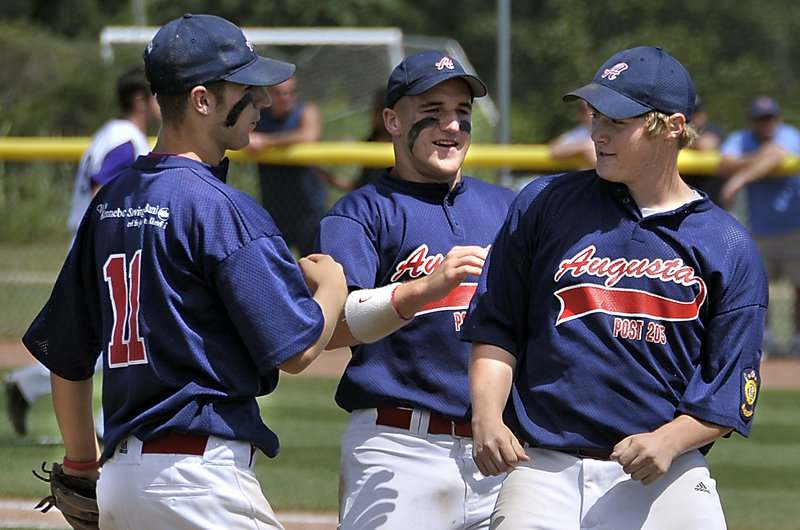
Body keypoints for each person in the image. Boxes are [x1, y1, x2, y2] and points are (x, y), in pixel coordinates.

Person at [21, 13, 347, 529]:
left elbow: (67, 354)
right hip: (200, 480)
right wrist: (333, 287)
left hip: (123, 484)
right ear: (201, 100)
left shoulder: (111, 203)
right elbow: (298, 349)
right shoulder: (221, 208)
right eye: (246, 88)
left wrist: (81, 462)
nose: (262, 100)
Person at [462, 46, 767, 529]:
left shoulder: (726, 243)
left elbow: (729, 387)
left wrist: (668, 441)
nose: (598, 133)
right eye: (596, 115)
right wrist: (486, 417)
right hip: (543, 463)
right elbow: (496, 324)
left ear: (672, 126)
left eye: (618, 122)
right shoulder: (546, 203)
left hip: (663, 470)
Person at [316, 50, 516, 529]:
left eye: (462, 114)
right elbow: (336, 327)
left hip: (500, 448)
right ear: (391, 119)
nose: (451, 126)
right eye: (432, 113)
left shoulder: (510, 209)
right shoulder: (359, 214)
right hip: (399, 445)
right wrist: (424, 288)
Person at [3, 68, 160, 438]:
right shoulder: (126, 137)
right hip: (103, 248)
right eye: (155, 94)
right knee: (125, 335)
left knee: (113, 338)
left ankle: (29, 387)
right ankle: (107, 426)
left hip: (94, 245)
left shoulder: (111, 133)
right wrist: (104, 247)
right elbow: (101, 188)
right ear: (140, 99)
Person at [719, 95, 800, 357]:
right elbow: (724, 162)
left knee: (797, 287)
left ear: (778, 119)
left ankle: (797, 340)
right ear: (753, 121)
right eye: (761, 119)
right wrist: (758, 158)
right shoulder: (742, 139)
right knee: (756, 290)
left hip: (793, 229)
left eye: (771, 118)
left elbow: (777, 155)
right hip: (760, 230)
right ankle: (763, 341)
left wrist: (739, 179)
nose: (767, 124)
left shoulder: (789, 135)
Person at [248, 74, 328, 256]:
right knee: (272, 268)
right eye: (280, 93)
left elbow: (309, 136)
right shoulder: (259, 117)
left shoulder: (306, 112)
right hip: (274, 208)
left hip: (308, 208)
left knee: (313, 266)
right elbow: (241, 136)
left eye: (291, 93)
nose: (286, 98)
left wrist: (267, 141)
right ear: (269, 95)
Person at [682, 96, 726, 205]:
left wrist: (679, 143)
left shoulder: (712, 129)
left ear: (703, 114)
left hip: (713, 204)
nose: (691, 117)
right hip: (684, 203)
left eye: (695, 111)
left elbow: (707, 145)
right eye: (686, 112)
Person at [354, 88, 393, 188]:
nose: (372, 114)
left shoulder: (403, 146)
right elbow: (361, 184)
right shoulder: (370, 142)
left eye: (375, 109)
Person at [548, 99, 596, 168]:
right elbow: (554, 149)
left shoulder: (612, 130)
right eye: (584, 110)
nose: (590, 114)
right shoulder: (582, 132)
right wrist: (585, 147)